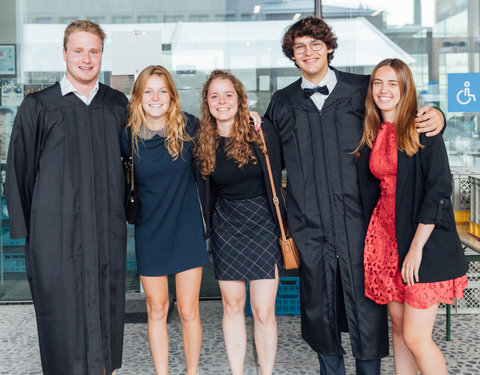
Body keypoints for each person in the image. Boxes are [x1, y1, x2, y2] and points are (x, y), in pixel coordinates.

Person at [263, 17, 445, 375]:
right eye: (300, 47)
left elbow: (403, 115)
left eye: (316, 44)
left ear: (329, 47)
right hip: (310, 227)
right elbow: (265, 156)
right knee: (319, 307)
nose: (309, 52)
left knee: (368, 308)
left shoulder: (363, 90)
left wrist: (438, 115)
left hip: (362, 225)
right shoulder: (282, 103)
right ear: (292, 56)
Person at [5, 20, 128, 374]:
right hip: (55, 233)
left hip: (105, 228)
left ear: (102, 55)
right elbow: (20, 171)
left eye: (94, 51)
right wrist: (30, 232)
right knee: (61, 311)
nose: (86, 59)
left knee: (105, 305)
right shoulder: (39, 106)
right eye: (78, 51)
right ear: (64, 53)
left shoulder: (116, 104)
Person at [355, 58, 468, 375]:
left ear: (406, 88)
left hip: (422, 240)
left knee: (417, 336)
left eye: (393, 83)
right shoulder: (375, 129)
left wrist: (416, 248)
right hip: (386, 237)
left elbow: (439, 189)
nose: (383, 89)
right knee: (400, 329)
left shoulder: (423, 127)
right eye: (378, 82)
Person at [195, 69, 285, 375]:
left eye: (228, 94)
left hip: (263, 223)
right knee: (232, 307)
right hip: (227, 226)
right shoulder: (201, 140)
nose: (222, 101)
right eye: (214, 96)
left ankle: (266, 372)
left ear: (240, 98)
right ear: (206, 103)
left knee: (263, 311)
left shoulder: (261, 131)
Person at [120, 65, 209, 375]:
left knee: (187, 310)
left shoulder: (190, 128)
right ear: (138, 96)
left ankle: (192, 372)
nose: (155, 97)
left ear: (172, 96)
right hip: (150, 231)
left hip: (186, 229)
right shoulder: (127, 135)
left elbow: (225, 135)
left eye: (162, 91)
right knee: (157, 309)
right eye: (148, 91)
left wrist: (253, 120)